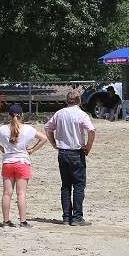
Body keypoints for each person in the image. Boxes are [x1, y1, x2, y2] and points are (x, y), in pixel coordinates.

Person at [0, 104, 48, 228]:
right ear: (22, 115)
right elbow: (44, 138)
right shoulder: (28, 129)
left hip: (8, 162)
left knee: (7, 193)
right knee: (21, 194)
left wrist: (1, 148)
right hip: (22, 162)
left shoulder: (3, 129)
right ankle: (23, 221)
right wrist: (32, 150)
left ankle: (6, 221)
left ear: (9, 116)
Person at [45, 88, 96, 226]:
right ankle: (77, 217)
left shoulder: (59, 113)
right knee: (79, 186)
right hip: (76, 152)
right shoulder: (81, 114)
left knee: (66, 186)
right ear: (79, 101)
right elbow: (91, 130)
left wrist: (54, 143)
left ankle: (66, 217)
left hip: (62, 152)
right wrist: (88, 146)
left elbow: (48, 128)